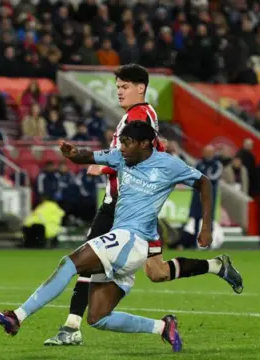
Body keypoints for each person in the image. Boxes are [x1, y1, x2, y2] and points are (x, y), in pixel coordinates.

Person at [0, 121, 243, 352]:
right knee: (98, 317)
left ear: (145, 144)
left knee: (70, 263)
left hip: (132, 239)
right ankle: (162, 327)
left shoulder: (168, 164)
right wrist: (72, 154)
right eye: (120, 142)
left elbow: (204, 183)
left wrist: (206, 226)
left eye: (127, 142)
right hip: (126, 244)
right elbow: (87, 156)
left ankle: (17, 316)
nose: (121, 147)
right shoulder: (122, 157)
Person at [45, 64, 243, 346]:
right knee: (157, 272)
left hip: (121, 206)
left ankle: (71, 327)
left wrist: (103, 169)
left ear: (141, 87)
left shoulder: (140, 115)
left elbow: (146, 159)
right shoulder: (134, 116)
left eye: (124, 87)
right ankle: (216, 267)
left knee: (85, 261)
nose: (119, 92)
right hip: (131, 208)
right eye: (117, 88)